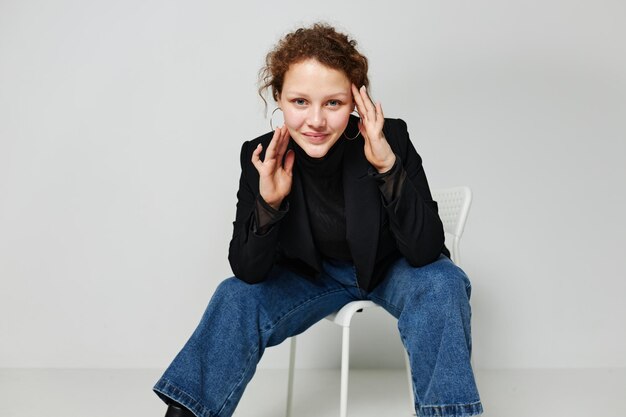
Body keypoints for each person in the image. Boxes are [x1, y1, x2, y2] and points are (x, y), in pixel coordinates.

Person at [153, 22, 483, 417]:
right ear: (278, 97)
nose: (315, 121)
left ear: (357, 102)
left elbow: (426, 250)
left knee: (443, 281)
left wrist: (388, 167)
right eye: (299, 102)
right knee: (234, 294)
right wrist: (269, 203)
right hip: (312, 279)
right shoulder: (259, 156)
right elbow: (248, 271)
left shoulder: (388, 137)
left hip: (389, 269)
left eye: (333, 103)